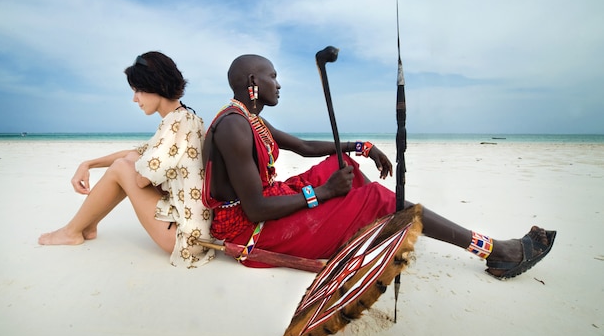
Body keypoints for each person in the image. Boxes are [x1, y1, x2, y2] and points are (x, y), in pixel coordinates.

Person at [202, 54, 555, 278]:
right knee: (379, 198)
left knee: (344, 167)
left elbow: (306, 147)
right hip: (251, 231)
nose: (278, 84)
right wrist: (323, 193)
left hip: (265, 210)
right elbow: (255, 208)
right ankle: (497, 251)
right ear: (253, 84)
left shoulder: (249, 118)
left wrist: (360, 147)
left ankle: (369, 226)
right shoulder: (234, 126)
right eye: (272, 76)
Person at [39, 51, 215, 268]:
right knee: (127, 162)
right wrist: (88, 164)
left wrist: (133, 163)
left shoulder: (177, 123)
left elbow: (141, 179)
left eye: (138, 90)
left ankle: (71, 231)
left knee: (123, 167)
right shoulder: (187, 118)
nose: (135, 99)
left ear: (156, 85)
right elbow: (138, 153)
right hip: (198, 231)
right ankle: (88, 226)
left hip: (185, 238)